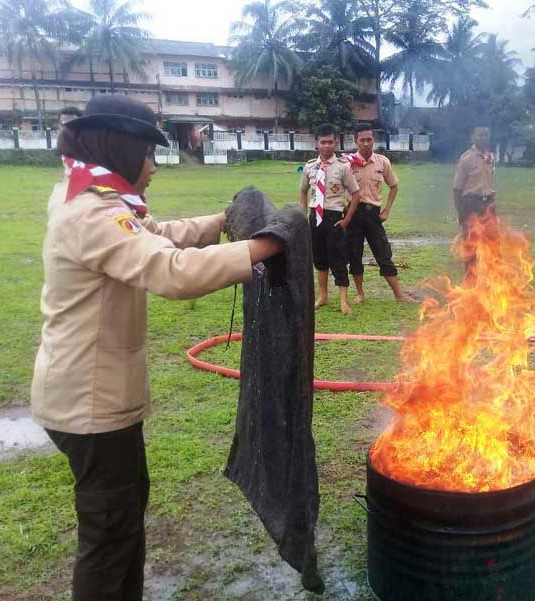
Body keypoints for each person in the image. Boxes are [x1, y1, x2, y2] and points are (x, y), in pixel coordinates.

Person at [31, 94, 283, 601]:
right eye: (150, 153)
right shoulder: (92, 213)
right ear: (123, 149)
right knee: (108, 534)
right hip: (90, 406)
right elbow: (171, 271)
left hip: (92, 399)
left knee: (122, 521)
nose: (154, 167)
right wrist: (270, 245)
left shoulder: (92, 198)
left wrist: (220, 220)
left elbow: (156, 236)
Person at [345, 123, 414, 303]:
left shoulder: (382, 162)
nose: (366, 143)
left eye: (369, 139)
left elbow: (394, 185)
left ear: (373, 140)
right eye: (362, 140)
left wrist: (387, 210)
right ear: (356, 141)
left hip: (373, 215)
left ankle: (399, 294)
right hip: (352, 214)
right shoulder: (347, 163)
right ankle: (360, 293)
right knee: (354, 254)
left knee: (383, 253)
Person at [299, 123, 361, 315]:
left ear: (336, 143)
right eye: (323, 142)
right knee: (319, 258)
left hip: (334, 217)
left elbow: (356, 194)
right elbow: (303, 192)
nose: (326, 146)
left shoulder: (343, 167)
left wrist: (347, 220)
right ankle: (323, 296)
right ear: (317, 144)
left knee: (338, 258)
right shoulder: (309, 167)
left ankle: (343, 300)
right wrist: (303, 216)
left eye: (330, 142)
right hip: (314, 217)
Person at [453, 125, 496, 231]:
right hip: (471, 204)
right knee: (471, 240)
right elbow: (457, 188)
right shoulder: (466, 159)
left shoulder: (490, 157)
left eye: (486, 135)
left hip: (488, 203)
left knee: (491, 239)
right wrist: (461, 211)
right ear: (473, 137)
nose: (483, 138)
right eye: (480, 135)